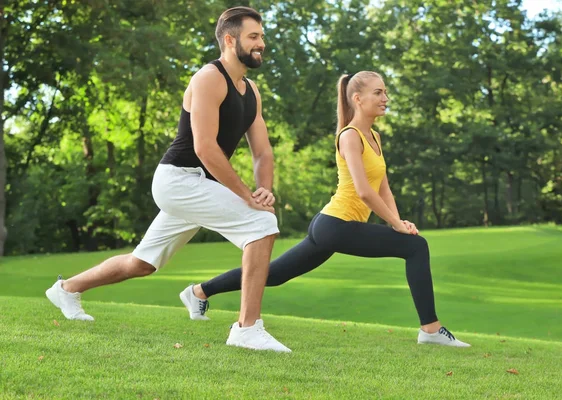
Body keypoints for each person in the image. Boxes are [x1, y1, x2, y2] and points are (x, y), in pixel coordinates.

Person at [45, 6, 291, 353]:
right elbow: (205, 148)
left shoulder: (251, 91)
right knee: (262, 224)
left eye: (262, 37)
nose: (261, 43)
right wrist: (248, 197)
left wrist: (263, 188)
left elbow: (263, 152)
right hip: (177, 180)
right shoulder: (208, 78)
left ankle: (66, 289)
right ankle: (247, 329)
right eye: (254, 37)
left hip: (197, 186)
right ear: (230, 39)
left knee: (142, 263)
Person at [183, 71, 470, 347]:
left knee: (273, 274)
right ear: (357, 98)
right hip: (337, 225)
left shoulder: (375, 137)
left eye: (385, 92)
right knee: (416, 247)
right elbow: (363, 191)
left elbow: (383, 189)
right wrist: (395, 224)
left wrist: (399, 220)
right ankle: (430, 330)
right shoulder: (350, 136)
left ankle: (199, 291)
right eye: (378, 92)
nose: (386, 98)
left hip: (331, 226)